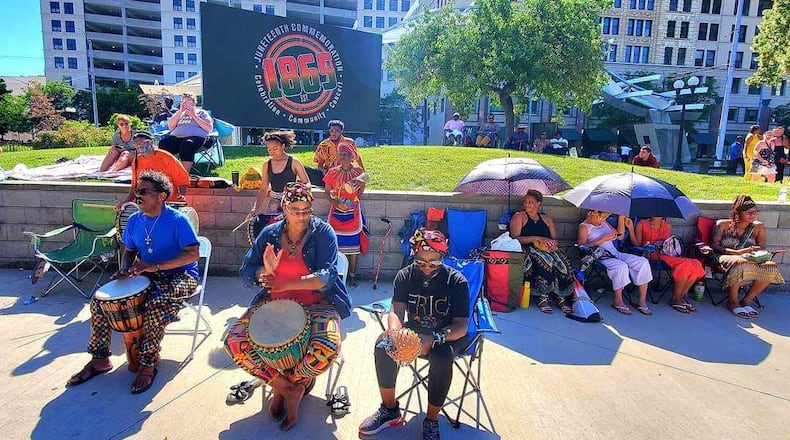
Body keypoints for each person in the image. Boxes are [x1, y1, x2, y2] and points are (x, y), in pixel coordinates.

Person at [228, 182, 350, 430]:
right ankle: (285, 387)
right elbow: (247, 269)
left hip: (317, 303)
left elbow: (326, 275)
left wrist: (286, 282)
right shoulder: (269, 233)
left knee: (327, 347)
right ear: (284, 206)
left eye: (307, 210)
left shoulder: (323, 233)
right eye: (295, 210)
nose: (302, 216)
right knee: (234, 341)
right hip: (274, 303)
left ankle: (292, 384)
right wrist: (263, 272)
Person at [66, 171, 200, 393]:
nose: (138, 195)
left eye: (144, 191)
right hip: (147, 272)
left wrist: (155, 267)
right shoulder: (135, 220)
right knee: (100, 302)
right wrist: (124, 269)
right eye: (137, 191)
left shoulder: (178, 220)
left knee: (155, 304)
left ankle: (148, 362)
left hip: (181, 275)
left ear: (162, 195)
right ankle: (100, 359)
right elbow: (130, 249)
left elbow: (193, 254)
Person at [359, 228, 469, 440]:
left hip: (448, 334)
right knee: (384, 344)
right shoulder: (405, 276)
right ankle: (389, 410)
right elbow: (396, 310)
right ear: (414, 257)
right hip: (416, 330)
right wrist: (395, 333)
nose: (427, 267)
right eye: (421, 262)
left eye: (434, 262)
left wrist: (434, 339)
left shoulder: (456, 281)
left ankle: (431, 420)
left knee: (442, 356)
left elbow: (462, 326)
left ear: (442, 257)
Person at [708, 195, 784, 318]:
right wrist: (739, 253)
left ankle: (746, 300)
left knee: (771, 266)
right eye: (749, 212)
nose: (753, 215)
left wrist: (753, 252)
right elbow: (715, 246)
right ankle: (733, 301)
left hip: (750, 258)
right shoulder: (723, 224)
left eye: (755, 212)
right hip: (725, 256)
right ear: (738, 213)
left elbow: (761, 247)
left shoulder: (758, 227)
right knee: (740, 262)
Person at [509, 190, 575, 314]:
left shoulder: (546, 219)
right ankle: (542, 297)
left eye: (531, 202)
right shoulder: (519, 216)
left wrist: (552, 245)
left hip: (545, 248)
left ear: (538, 203)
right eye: (525, 202)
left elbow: (555, 239)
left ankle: (560, 296)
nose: (527, 204)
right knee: (545, 261)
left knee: (563, 261)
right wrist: (535, 238)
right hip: (527, 248)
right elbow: (514, 238)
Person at [578, 210, 653, 315]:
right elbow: (581, 246)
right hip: (601, 257)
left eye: (605, 218)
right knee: (620, 266)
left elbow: (620, 236)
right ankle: (618, 300)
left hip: (615, 253)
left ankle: (641, 300)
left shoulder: (604, 223)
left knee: (642, 262)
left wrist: (621, 218)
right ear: (594, 213)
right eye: (602, 217)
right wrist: (602, 239)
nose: (604, 220)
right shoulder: (584, 226)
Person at [627, 217, 705, 313]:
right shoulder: (641, 224)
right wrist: (631, 229)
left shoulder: (667, 226)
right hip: (650, 255)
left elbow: (667, 244)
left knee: (695, 263)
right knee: (684, 264)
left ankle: (682, 295)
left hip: (665, 254)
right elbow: (637, 244)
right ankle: (675, 298)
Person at [324, 143, 369, 287]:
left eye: (345, 154)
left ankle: (352, 276)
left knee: (353, 248)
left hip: (352, 214)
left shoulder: (359, 172)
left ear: (352, 157)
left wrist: (354, 197)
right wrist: (335, 203)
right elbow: (327, 192)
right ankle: (335, 276)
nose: (341, 156)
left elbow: (361, 191)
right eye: (340, 153)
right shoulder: (332, 172)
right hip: (336, 213)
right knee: (335, 247)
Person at [249, 131, 310, 236]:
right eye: (269, 149)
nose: (272, 152)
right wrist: (256, 208)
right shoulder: (266, 164)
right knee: (274, 233)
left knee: (292, 233)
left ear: (283, 146)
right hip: (274, 203)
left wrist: (299, 189)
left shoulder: (294, 162)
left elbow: (307, 183)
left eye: (275, 149)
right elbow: (264, 189)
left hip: (291, 202)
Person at [117, 132, 190, 208]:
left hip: (168, 203)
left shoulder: (166, 157)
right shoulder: (136, 161)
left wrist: (181, 196)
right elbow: (135, 186)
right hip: (146, 204)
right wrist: (126, 201)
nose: (139, 145)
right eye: (136, 144)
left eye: (142, 143)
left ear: (151, 142)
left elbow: (182, 180)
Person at [158, 92, 213, 173]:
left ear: (194, 103)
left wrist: (194, 115)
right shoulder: (179, 113)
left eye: (189, 102)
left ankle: (183, 174)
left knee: (187, 144)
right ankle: (166, 171)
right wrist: (180, 111)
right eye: (184, 103)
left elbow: (209, 128)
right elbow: (171, 126)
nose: (186, 105)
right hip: (177, 138)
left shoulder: (201, 113)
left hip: (196, 138)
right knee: (164, 143)